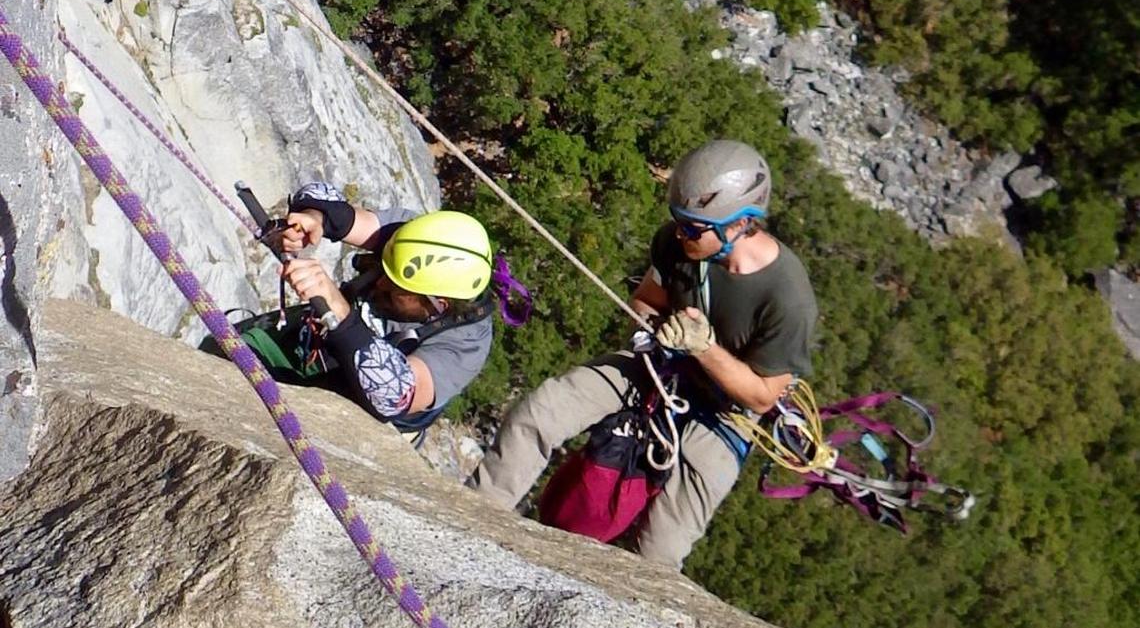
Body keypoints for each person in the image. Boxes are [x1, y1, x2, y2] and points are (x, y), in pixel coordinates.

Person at [469, 140, 818, 569]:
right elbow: (646, 300)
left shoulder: (787, 298)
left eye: (693, 228)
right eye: (678, 222)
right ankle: (473, 519)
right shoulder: (677, 246)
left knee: (660, 551)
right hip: (659, 367)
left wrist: (704, 349)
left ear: (740, 225)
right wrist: (657, 328)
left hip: (724, 417)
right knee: (539, 413)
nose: (680, 234)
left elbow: (764, 396)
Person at [202, 182, 502, 438]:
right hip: (315, 342)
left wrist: (339, 309)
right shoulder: (414, 239)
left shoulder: (466, 343)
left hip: (356, 410)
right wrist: (312, 218)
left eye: (396, 288)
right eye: (382, 268)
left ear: (438, 305)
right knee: (218, 352)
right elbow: (331, 206)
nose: (380, 284)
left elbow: (396, 394)